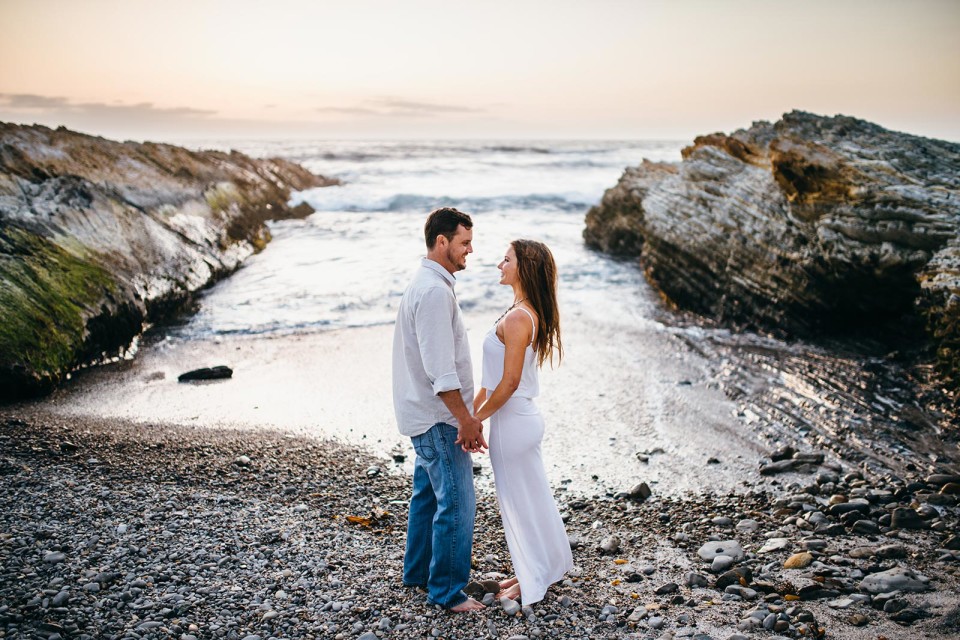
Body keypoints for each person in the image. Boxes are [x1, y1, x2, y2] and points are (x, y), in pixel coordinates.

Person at [392, 207, 488, 612]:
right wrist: (465, 419)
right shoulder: (432, 292)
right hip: (439, 419)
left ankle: (418, 573)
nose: (471, 250)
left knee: (428, 498)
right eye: (464, 242)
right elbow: (440, 371)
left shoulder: (428, 284)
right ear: (442, 242)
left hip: (424, 413)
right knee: (458, 503)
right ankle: (447, 591)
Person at [473, 239, 574, 605]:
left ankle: (533, 576)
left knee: (519, 501)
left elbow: (510, 381)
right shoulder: (522, 310)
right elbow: (490, 380)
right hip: (518, 417)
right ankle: (535, 567)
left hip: (513, 420)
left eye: (506, 259)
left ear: (524, 267)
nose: (499, 264)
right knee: (530, 498)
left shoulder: (518, 317)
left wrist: (476, 420)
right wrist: (472, 414)